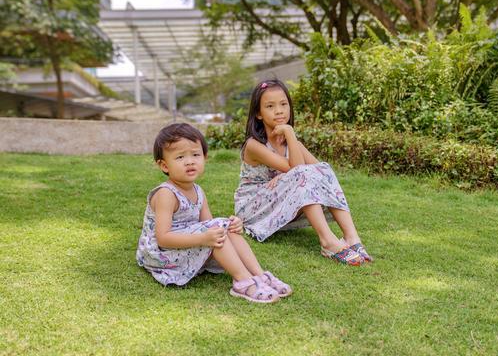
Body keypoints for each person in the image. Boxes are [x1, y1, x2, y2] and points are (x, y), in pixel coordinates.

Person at [136, 123, 291, 303]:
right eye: (180, 157)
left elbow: (209, 224)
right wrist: (204, 238)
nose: (190, 161)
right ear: (164, 165)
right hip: (161, 254)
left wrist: (232, 226)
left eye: (195, 155)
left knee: (224, 228)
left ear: (204, 157)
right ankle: (243, 282)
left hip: (187, 244)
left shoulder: (198, 191)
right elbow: (163, 238)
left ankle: (260, 275)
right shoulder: (166, 194)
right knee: (217, 230)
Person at [235, 79, 373, 266]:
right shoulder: (254, 145)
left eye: (284, 104)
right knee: (302, 174)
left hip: (279, 202)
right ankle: (328, 242)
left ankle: (352, 238)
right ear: (258, 113)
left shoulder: (294, 146)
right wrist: (290, 133)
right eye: (270, 106)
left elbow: (321, 174)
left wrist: (288, 168)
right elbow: (300, 171)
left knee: (323, 169)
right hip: (253, 207)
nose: (279, 110)